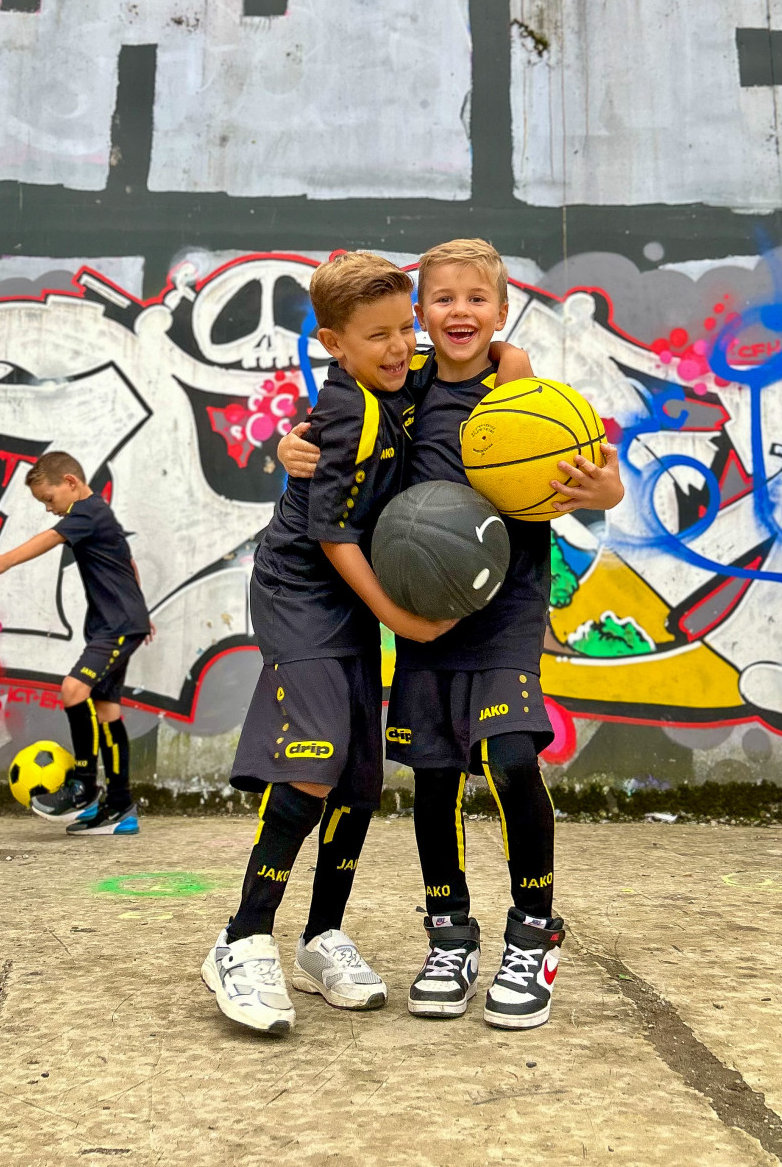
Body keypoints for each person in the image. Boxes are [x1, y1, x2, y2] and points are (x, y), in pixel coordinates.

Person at [279, 237, 623, 1030]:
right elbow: (336, 424)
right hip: (427, 610)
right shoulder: (405, 384)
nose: (459, 311)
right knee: (433, 777)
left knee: (508, 759)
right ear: (421, 313)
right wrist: (290, 443)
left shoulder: (521, 389)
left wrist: (606, 487)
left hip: (505, 610)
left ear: (501, 312)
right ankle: (449, 937)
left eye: (476, 298)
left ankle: (534, 932)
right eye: (442, 299)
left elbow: (596, 475)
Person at [200, 250, 466, 1037]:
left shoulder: (397, 377)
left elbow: (478, 359)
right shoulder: (350, 413)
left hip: (348, 594)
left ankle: (320, 938)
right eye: (379, 335)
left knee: (356, 778)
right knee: (314, 759)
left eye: (406, 328)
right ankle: (242, 937)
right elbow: (334, 537)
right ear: (333, 343)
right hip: (302, 589)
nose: (401, 346)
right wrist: (402, 620)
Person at [0, 451, 151, 836]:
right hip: (117, 623)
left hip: (117, 626)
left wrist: (5, 560)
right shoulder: (98, 514)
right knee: (106, 710)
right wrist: (141, 612)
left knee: (72, 689)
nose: (50, 509)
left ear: (70, 482)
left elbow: (50, 538)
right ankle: (120, 808)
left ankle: (83, 786)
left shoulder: (87, 511)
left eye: (49, 499)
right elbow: (128, 562)